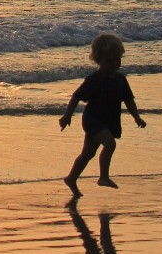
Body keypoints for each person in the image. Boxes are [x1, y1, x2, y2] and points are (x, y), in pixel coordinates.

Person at [59, 32, 146, 197]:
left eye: (117, 60)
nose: (114, 64)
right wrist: (67, 116)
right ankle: (103, 177)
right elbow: (76, 96)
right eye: (109, 61)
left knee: (88, 154)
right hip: (93, 120)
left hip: (108, 120)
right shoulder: (94, 79)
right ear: (98, 60)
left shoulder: (120, 79)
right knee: (110, 144)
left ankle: (71, 178)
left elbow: (129, 100)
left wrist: (137, 117)